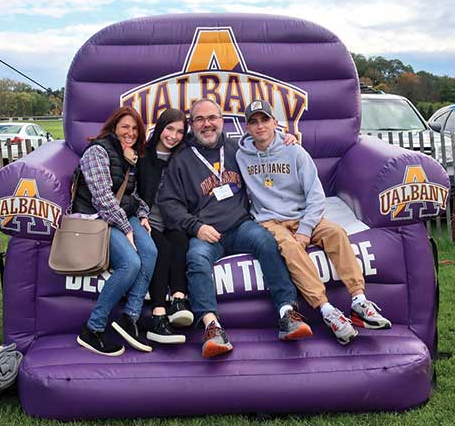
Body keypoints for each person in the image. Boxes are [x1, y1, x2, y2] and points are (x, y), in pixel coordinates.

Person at [158, 98, 312, 359]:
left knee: (267, 242)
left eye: (212, 118)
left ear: (222, 120)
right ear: (191, 124)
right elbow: (168, 204)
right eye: (199, 119)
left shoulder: (239, 149)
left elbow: (268, 147)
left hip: (241, 225)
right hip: (206, 232)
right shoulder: (181, 159)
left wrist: (288, 141)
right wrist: (195, 227)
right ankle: (211, 327)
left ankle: (287, 312)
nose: (207, 124)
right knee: (195, 258)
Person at [236, 99, 392, 345]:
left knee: (336, 233)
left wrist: (306, 229)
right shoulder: (241, 155)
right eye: (253, 122)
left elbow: (316, 195)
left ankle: (359, 301)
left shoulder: (294, 150)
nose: (260, 126)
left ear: (275, 123)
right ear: (246, 128)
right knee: (289, 247)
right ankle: (327, 309)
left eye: (264, 119)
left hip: (301, 215)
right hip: (270, 220)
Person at [72, 106, 157, 356]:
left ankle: (129, 318)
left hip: (121, 215)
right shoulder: (97, 151)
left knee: (150, 252)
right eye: (125, 127)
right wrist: (126, 228)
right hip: (95, 218)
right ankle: (93, 328)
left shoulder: (130, 155)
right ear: (113, 128)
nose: (129, 133)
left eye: (134, 129)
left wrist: (142, 214)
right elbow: (103, 199)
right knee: (130, 263)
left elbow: (131, 195)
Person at [137, 109, 194, 344]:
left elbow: (212, 139)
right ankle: (158, 316)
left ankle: (179, 300)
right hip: (146, 221)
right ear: (160, 127)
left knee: (181, 241)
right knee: (162, 250)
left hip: (172, 220)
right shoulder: (142, 155)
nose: (174, 135)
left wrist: (285, 138)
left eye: (180, 131)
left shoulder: (182, 155)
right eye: (169, 128)